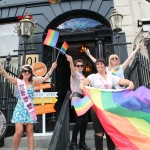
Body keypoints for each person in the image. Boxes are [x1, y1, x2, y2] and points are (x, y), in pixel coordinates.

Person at [79, 58, 134, 150]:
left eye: (101, 64)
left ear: (105, 66)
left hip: (109, 107)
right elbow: (86, 81)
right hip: (97, 107)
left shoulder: (111, 76)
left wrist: (130, 82)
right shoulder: (93, 76)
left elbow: (121, 81)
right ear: (96, 66)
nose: (99, 66)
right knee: (99, 133)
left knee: (110, 131)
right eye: (97, 64)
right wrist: (82, 84)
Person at [0, 62, 57, 150]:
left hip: (30, 109)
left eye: (29, 71)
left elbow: (46, 77)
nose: (27, 72)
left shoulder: (33, 81)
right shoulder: (18, 82)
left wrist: (52, 67)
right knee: (19, 131)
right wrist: (2, 69)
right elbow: (7, 76)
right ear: (22, 72)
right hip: (20, 109)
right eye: (25, 71)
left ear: (31, 73)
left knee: (29, 132)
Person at [65, 54, 90, 150]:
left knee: (85, 122)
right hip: (77, 100)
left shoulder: (83, 76)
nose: (79, 67)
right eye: (77, 65)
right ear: (75, 67)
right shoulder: (75, 75)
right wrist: (71, 61)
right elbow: (72, 71)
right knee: (80, 121)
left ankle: (82, 143)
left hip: (84, 100)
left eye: (81, 66)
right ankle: (73, 142)